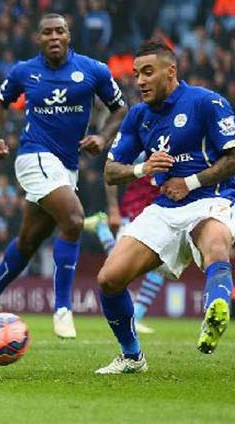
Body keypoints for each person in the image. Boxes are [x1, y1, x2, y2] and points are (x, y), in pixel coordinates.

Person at [0, 13, 128, 338]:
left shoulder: (92, 70)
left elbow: (120, 108)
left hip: (66, 165)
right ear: (38, 38)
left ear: (69, 36)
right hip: (33, 156)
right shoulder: (24, 72)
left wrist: (102, 136)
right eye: (47, 32)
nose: (54, 37)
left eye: (60, 31)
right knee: (73, 220)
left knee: (29, 241)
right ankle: (62, 308)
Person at [96, 40, 235, 374]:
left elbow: (232, 157)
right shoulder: (138, 116)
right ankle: (132, 356)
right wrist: (143, 168)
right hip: (163, 210)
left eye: (148, 72)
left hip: (210, 199)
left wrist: (188, 183)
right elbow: (111, 172)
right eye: (135, 74)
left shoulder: (206, 102)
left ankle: (214, 308)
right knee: (109, 279)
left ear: (170, 71)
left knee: (216, 243)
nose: (139, 81)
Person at [84, 174, 163, 334]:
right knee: (120, 265)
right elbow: (111, 173)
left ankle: (136, 316)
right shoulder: (144, 152)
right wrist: (114, 209)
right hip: (134, 214)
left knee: (161, 266)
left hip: (155, 217)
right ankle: (101, 227)